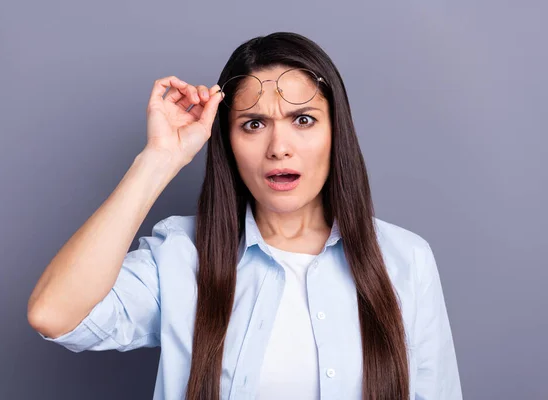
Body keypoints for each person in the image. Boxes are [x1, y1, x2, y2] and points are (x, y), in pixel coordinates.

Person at [27, 32, 463, 400]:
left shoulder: (406, 260)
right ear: (228, 142)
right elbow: (54, 313)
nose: (279, 147)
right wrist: (158, 160)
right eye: (253, 124)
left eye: (304, 120)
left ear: (337, 132)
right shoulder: (181, 255)